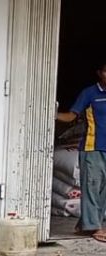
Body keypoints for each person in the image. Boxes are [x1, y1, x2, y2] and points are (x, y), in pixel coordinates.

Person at [56, 60, 106, 242]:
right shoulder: (89, 93)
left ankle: (86, 224)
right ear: (99, 73)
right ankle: (95, 227)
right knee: (92, 186)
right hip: (92, 147)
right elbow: (72, 116)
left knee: (103, 190)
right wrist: (52, 113)